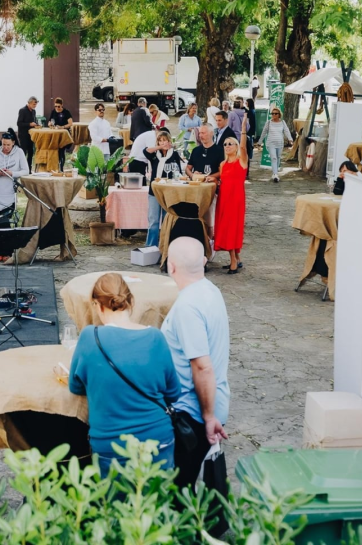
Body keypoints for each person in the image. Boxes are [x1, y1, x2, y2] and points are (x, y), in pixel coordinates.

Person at [69, 273, 179, 477]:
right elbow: (174, 393)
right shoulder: (156, 337)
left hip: (110, 443)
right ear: (131, 302)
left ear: (97, 305)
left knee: (114, 505)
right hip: (157, 439)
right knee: (158, 504)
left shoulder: (89, 337)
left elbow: (75, 387)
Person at [162, 237, 230, 491]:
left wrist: (208, 416)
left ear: (171, 266)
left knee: (179, 488)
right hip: (209, 403)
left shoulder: (187, 307)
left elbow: (202, 366)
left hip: (192, 413)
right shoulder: (211, 291)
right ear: (204, 261)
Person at [0, 130, 30, 262]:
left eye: (8, 145)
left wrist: (12, 173)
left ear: (13, 143)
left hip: (9, 194)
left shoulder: (19, 153)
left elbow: (26, 171)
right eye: (3, 144)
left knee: (5, 223)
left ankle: (7, 251)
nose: (5, 148)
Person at [213, 127, 248, 273]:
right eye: (225, 144)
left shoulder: (242, 161)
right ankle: (236, 258)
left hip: (236, 199)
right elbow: (222, 179)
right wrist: (213, 178)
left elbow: (243, 146)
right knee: (225, 227)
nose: (227, 146)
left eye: (230, 144)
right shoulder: (223, 164)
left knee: (233, 228)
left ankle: (233, 259)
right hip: (224, 199)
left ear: (236, 147)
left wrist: (244, 128)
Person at [144, 132, 186, 247]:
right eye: (160, 140)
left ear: (169, 141)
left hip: (168, 193)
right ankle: (151, 247)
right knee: (153, 221)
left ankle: (165, 246)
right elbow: (145, 151)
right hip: (154, 191)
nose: (163, 142)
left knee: (166, 221)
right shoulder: (154, 154)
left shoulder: (174, 155)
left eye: (165, 140)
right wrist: (159, 147)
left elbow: (178, 173)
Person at [259, 107, 292, 183]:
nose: (274, 115)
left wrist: (290, 139)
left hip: (279, 143)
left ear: (279, 114)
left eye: (276, 113)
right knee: (274, 158)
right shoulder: (269, 123)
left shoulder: (282, 122)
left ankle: (275, 172)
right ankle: (275, 174)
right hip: (271, 143)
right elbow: (264, 132)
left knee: (278, 158)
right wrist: (260, 141)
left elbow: (286, 131)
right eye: (272, 113)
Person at [17, 96, 39, 165]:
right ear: (29, 103)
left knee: (31, 152)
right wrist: (29, 124)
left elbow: (34, 121)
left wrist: (36, 125)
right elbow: (19, 123)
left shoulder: (33, 111)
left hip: (31, 135)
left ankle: (29, 168)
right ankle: (22, 167)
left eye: (36, 104)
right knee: (23, 152)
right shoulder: (22, 110)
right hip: (23, 134)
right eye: (33, 104)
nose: (35, 106)